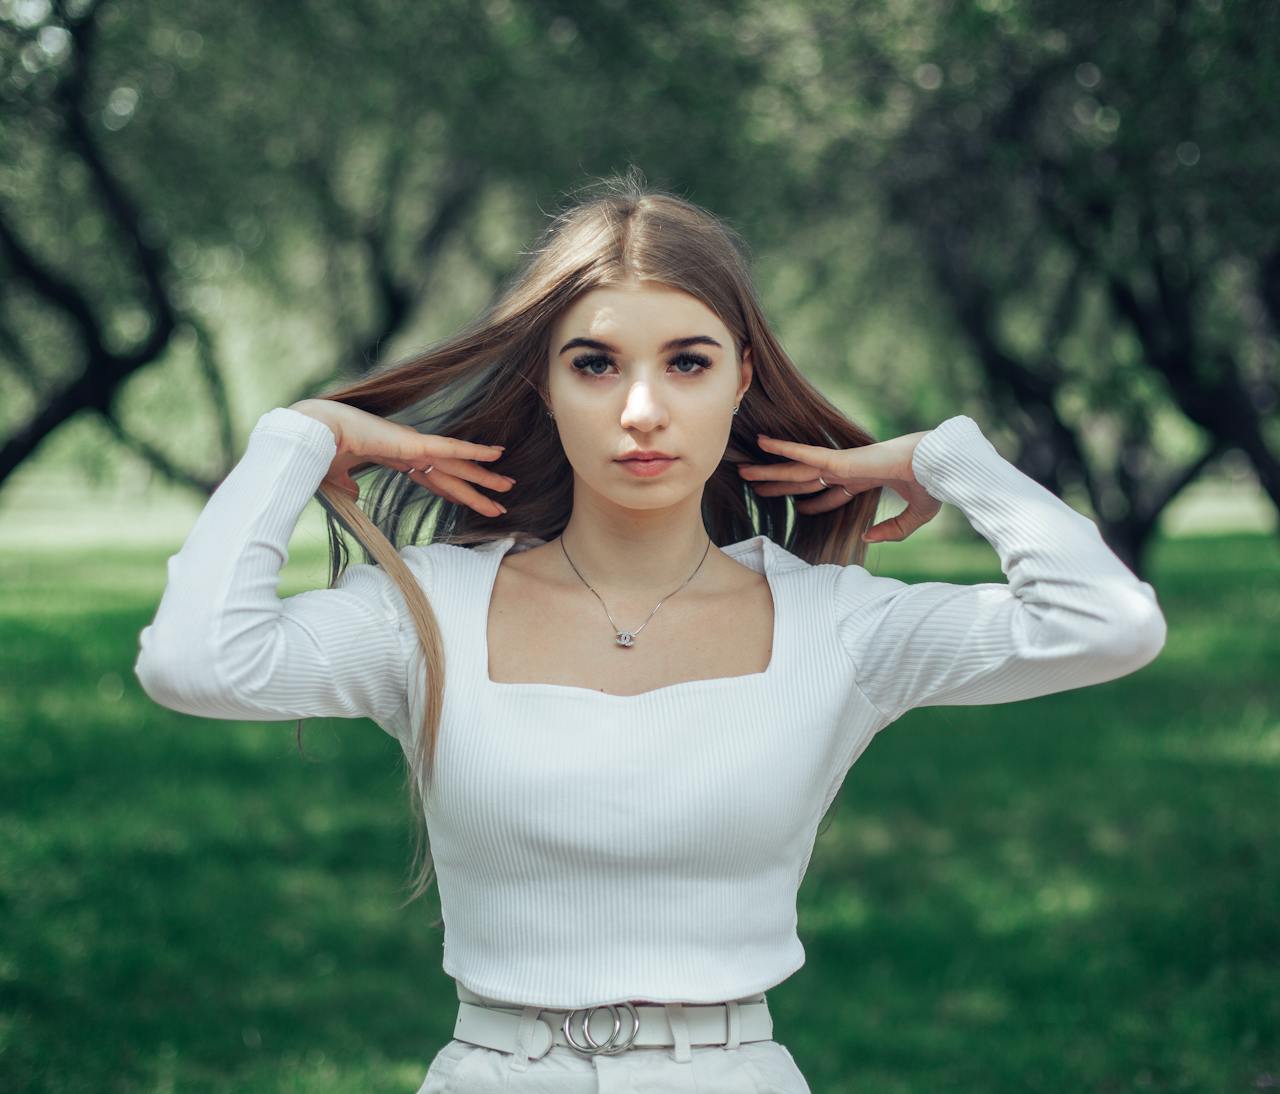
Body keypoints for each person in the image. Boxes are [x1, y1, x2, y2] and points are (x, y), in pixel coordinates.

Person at [133, 170, 1168, 1093]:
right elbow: (195, 662)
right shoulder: (427, 610)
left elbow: (1107, 624)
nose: (640, 409)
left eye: (686, 363)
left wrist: (948, 459)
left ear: (740, 380)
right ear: (543, 386)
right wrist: (296, 439)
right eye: (594, 364)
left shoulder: (836, 621)